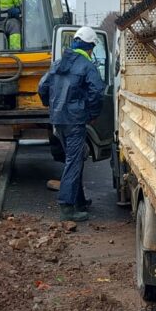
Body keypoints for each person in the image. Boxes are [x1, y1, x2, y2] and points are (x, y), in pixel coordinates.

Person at [38, 26, 105, 222]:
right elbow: (97, 92)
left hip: (58, 120)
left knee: (72, 159)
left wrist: (51, 105)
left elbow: (42, 87)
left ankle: (80, 202)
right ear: (90, 47)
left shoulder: (58, 63)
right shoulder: (87, 65)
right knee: (74, 161)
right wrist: (92, 113)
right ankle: (67, 207)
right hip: (75, 120)